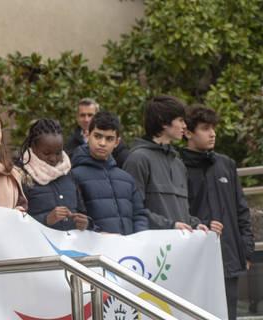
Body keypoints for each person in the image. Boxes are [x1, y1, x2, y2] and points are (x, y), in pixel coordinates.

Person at [180, 106, 253, 320]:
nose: (212, 133)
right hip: (194, 257)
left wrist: (246, 251)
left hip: (229, 256)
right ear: (188, 132)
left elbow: (241, 209)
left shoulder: (226, 164)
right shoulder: (178, 166)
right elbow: (178, 210)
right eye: (205, 128)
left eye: (213, 128)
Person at [123, 95, 207, 231]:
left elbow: (181, 213)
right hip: (153, 248)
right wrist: (169, 225)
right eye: (180, 120)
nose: (184, 126)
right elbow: (132, 209)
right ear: (163, 122)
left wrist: (195, 225)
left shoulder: (178, 163)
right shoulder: (138, 159)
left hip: (180, 247)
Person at [71, 111, 148, 235]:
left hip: (129, 252)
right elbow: (75, 219)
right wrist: (98, 233)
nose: (102, 143)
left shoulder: (127, 179)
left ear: (117, 142)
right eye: (97, 136)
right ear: (88, 135)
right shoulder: (74, 176)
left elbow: (139, 215)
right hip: (93, 251)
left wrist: (138, 240)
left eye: (109, 138)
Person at [16, 119, 89, 231]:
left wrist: (86, 223)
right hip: (38, 246)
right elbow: (15, 222)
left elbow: (82, 210)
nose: (53, 158)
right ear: (33, 147)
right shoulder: (20, 175)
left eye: (58, 153)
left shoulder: (68, 173)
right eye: (46, 153)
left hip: (70, 246)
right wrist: (46, 220)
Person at [65, 98, 129, 167]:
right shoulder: (70, 143)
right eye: (82, 115)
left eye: (90, 115)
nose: (86, 119)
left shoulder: (119, 148)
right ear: (77, 117)